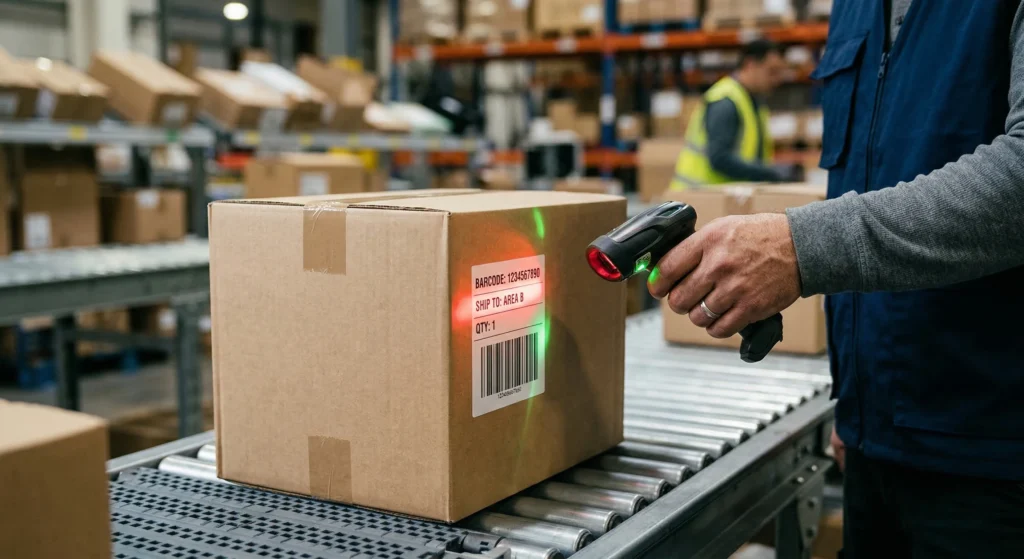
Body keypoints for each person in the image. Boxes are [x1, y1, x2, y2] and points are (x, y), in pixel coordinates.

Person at [649, 1, 1024, 557]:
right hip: (870, 443)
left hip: (992, 454)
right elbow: (867, 172)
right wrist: (855, 399)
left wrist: (800, 248)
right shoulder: (855, 8)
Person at [671, 38, 800, 189]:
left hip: (726, 195)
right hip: (699, 195)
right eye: (772, 72)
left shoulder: (753, 102)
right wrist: (770, 173)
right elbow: (719, 159)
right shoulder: (726, 101)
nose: (777, 79)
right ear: (750, 65)